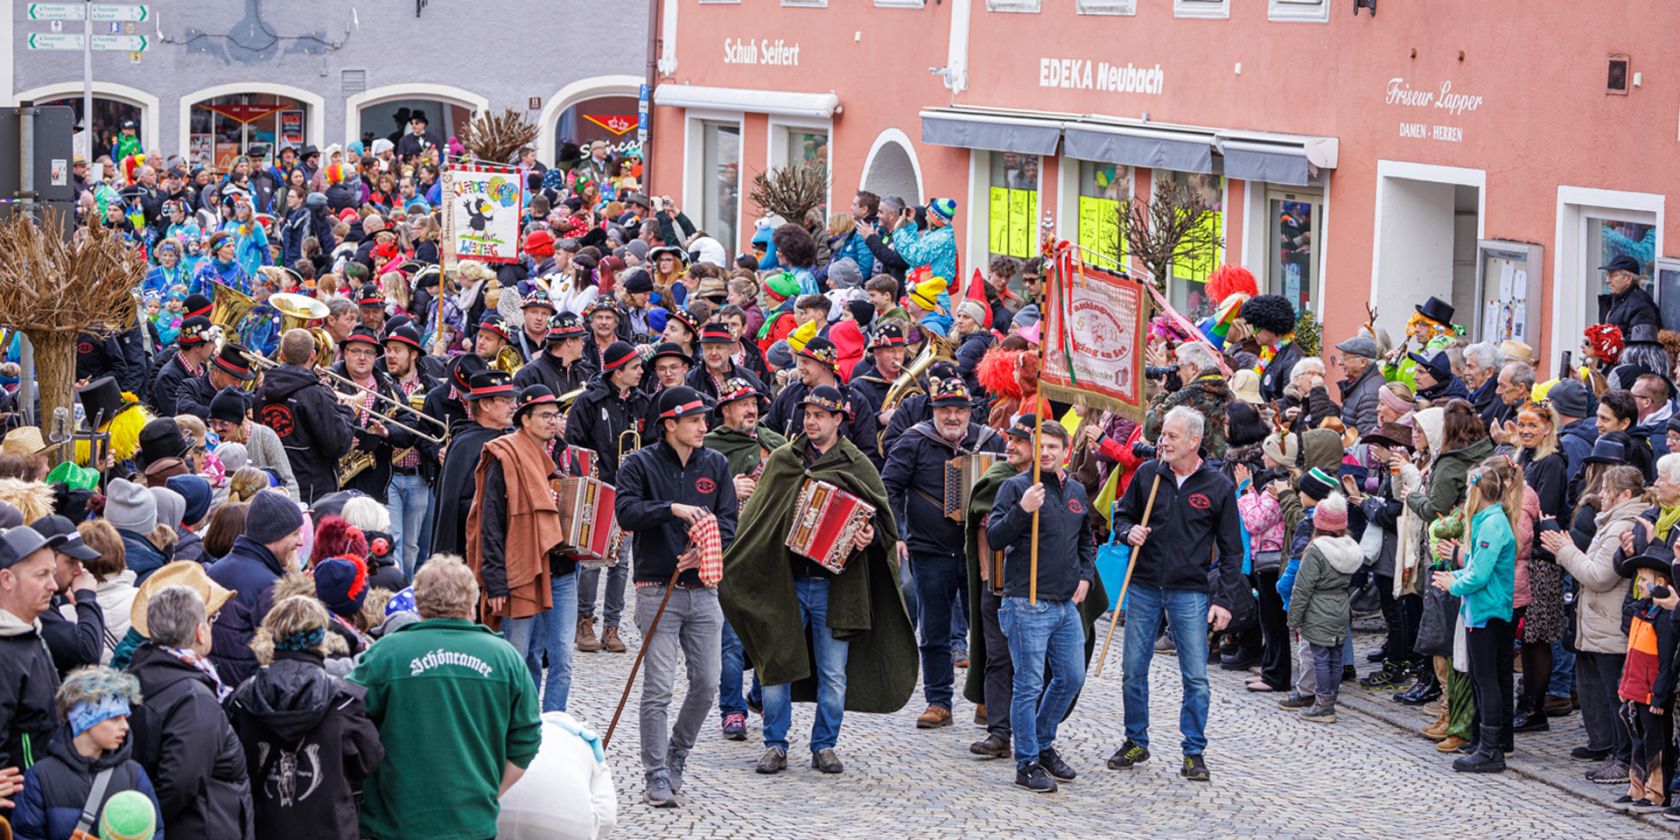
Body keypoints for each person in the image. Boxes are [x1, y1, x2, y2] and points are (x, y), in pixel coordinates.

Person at [719, 384, 915, 778]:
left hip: (836, 588)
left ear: (837, 420)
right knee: (776, 666)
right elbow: (759, 519)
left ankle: (824, 746)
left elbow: (882, 526)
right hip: (784, 583)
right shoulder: (784, 460)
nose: (811, 421)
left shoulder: (857, 463)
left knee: (833, 674)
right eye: (807, 414)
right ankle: (775, 745)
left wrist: (868, 537)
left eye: (819, 415)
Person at [349, 555, 540, 839]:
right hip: (471, 825)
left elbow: (346, 720)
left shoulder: (387, 654)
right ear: (472, 602)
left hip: (395, 824)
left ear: (420, 602)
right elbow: (526, 739)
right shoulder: (505, 659)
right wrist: (489, 791)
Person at [613, 386, 737, 807]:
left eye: (705, 419)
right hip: (655, 587)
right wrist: (672, 509)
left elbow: (728, 523)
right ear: (670, 424)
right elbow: (626, 512)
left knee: (706, 684)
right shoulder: (638, 463)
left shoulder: (716, 463)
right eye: (695, 420)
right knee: (659, 687)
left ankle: (677, 753)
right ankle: (655, 774)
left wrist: (706, 548)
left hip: (704, 589)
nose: (705, 426)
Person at [1108, 406, 1243, 782]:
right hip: (1145, 584)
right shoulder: (1149, 474)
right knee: (1133, 669)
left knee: (1195, 676)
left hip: (1190, 591)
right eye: (1163, 434)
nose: (1162, 441)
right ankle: (1135, 740)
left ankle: (1194, 751)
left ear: (1194, 441)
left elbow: (1232, 550)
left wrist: (1224, 600)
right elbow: (1121, 516)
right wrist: (1127, 531)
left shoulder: (1218, 486)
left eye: (1170, 436)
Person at [882, 377, 1003, 727]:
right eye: (945, 410)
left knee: (986, 626)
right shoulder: (915, 441)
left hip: (978, 552)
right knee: (934, 630)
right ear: (933, 411)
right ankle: (939, 701)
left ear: (969, 413)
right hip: (930, 549)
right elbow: (889, 487)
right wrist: (898, 533)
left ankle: (986, 697)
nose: (952, 417)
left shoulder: (990, 441)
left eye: (959, 410)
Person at [985, 420, 1094, 792]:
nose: (1046, 452)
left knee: (1071, 678)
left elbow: (1087, 540)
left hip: (1065, 604)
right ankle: (1026, 762)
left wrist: (1086, 575)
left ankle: (1044, 744)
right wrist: (1023, 510)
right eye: (1041, 446)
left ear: (1065, 450)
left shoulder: (1077, 489)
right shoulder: (1016, 487)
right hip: (1025, 602)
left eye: (1053, 446)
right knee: (1028, 684)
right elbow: (995, 537)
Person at [227, 595, 384, 840]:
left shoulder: (245, 698)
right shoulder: (342, 701)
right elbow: (368, 760)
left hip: (265, 825)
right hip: (329, 826)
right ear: (321, 638)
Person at [467, 385, 579, 712]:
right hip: (524, 569)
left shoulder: (565, 454)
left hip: (561, 569)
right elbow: (489, 522)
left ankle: (555, 726)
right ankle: (522, 724)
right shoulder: (504, 454)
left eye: (556, 415)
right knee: (520, 655)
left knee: (563, 657)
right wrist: (495, 580)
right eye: (545, 415)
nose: (553, 422)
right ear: (525, 420)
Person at [126, 584, 255, 838]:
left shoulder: (144, 671)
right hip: (202, 826)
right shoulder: (195, 699)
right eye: (210, 620)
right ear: (200, 631)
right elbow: (180, 783)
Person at [1541, 464, 1643, 784]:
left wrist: (1565, 550)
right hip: (1603, 621)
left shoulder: (1619, 526)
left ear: (1625, 494)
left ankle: (1625, 758)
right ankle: (1617, 753)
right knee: (1610, 692)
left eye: (1606, 490)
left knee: (1617, 695)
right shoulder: (1611, 522)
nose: (1600, 494)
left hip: (1611, 624)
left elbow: (1599, 576)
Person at [702, 378, 787, 740]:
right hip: (730, 552)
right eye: (742, 404)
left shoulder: (775, 443)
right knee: (732, 638)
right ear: (725, 411)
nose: (751, 409)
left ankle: (759, 693)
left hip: (771, 552)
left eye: (754, 403)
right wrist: (727, 488)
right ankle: (732, 709)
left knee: (770, 634)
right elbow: (690, 497)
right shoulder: (708, 449)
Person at [1433, 457, 1520, 773]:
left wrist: (1452, 582)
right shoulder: (1489, 520)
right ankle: (1486, 744)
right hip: (1482, 609)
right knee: (1484, 679)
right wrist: (1462, 563)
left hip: (1487, 611)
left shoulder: (1493, 523)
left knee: (1486, 680)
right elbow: (1480, 562)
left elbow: (1480, 576)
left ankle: (1491, 748)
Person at [565, 341, 650, 654]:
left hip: (629, 491)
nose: (641, 372)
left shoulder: (641, 402)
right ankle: (584, 620)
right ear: (618, 372)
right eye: (635, 367)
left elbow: (651, 441)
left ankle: (612, 627)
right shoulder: (589, 401)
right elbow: (573, 443)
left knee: (621, 562)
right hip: (598, 489)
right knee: (591, 561)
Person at [11, 666, 162, 840]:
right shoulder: (40, 777)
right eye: (114, 717)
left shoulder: (134, 774)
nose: (125, 726)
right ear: (84, 718)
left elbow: (155, 831)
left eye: (125, 718)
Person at [962, 414, 1035, 759]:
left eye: (1020, 441)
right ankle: (999, 732)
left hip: (1038, 586)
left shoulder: (1051, 483)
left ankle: (1035, 734)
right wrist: (987, 577)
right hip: (998, 585)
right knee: (997, 658)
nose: (1011, 445)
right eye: (1010, 438)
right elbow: (980, 525)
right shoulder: (997, 477)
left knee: (1035, 663)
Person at [206, 490, 304, 687]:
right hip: (250, 695)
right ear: (274, 534)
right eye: (295, 534)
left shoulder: (216, 569)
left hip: (216, 689)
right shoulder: (270, 586)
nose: (300, 541)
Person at [1284, 493, 1362, 725]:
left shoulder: (1316, 550)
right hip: (1340, 606)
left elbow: (1303, 587)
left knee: (1320, 658)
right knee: (1336, 658)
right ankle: (1331, 700)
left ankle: (1323, 706)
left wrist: (1293, 618)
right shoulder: (1350, 547)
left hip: (1318, 608)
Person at [1612, 542, 1678, 810]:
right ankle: (1637, 786)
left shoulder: (1666, 619)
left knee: (1656, 743)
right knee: (1637, 739)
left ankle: (1657, 791)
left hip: (1653, 692)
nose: (1638, 584)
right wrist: (1624, 685)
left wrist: (1660, 695)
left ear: (1661, 582)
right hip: (1635, 689)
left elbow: (1667, 661)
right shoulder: (1642, 612)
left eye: (1643, 579)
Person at [0, 525, 64, 803]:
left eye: (52, 573)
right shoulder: (4, 651)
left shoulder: (29, 632)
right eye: (42, 575)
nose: (54, 585)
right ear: (6, 579)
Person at [254, 329, 355, 504]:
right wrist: (346, 412)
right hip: (312, 492)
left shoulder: (260, 393)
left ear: (282, 355)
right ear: (313, 356)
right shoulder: (315, 395)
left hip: (272, 485)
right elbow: (338, 444)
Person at [429, 370, 517, 560]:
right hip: (472, 549)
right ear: (485, 404)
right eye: (506, 400)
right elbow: (457, 507)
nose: (514, 406)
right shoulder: (465, 445)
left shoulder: (511, 439)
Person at [765, 337, 879, 464]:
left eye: (805, 362)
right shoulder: (790, 393)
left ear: (824, 365)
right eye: (799, 362)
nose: (800, 368)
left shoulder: (855, 401)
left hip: (838, 477)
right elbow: (768, 432)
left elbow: (868, 451)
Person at [31, 515, 106, 678]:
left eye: (79, 561)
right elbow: (88, 653)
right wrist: (86, 597)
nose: (79, 570)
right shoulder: (33, 606)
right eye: (71, 560)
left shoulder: (46, 600)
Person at [208, 388, 300, 499]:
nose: (217, 428)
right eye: (213, 422)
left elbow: (287, 480)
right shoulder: (210, 441)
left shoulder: (264, 436)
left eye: (224, 423)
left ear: (239, 423)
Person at [514, 312, 595, 398]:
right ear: (569, 341)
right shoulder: (529, 375)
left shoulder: (586, 372)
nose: (583, 343)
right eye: (580, 339)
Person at [1239, 294, 1301, 403]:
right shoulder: (1267, 352)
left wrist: (1263, 409)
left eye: (1257, 328)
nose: (1253, 333)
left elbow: (1290, 402)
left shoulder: (1293, 359)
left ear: (1272, 327)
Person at [175, 341, 258, 420]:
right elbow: (186, 409)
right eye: (234, 379)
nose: (238, 385)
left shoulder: (245, 397)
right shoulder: (190, 386)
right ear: (216, 371)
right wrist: (231, 416)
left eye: (241, 380)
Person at [149, 316, 213, 417]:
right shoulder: (169, 377)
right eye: (211, 343)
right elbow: (180, 416)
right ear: (197, 347)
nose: (215, 347)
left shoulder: (203, 370)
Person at [1334, 334, 1384, 434]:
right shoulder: (1360, 384)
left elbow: (1366, 437)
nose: (1340, 362)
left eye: (1345, 358)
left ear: (1362, 362)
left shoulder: (1370, 394)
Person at [1601, 253, 1661, 335]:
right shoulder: (1619, 299)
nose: (1607, 280)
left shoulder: (1640, 307)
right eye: (1607, 275)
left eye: (1612, 276)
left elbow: (1639, 345)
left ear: (1628, 279)